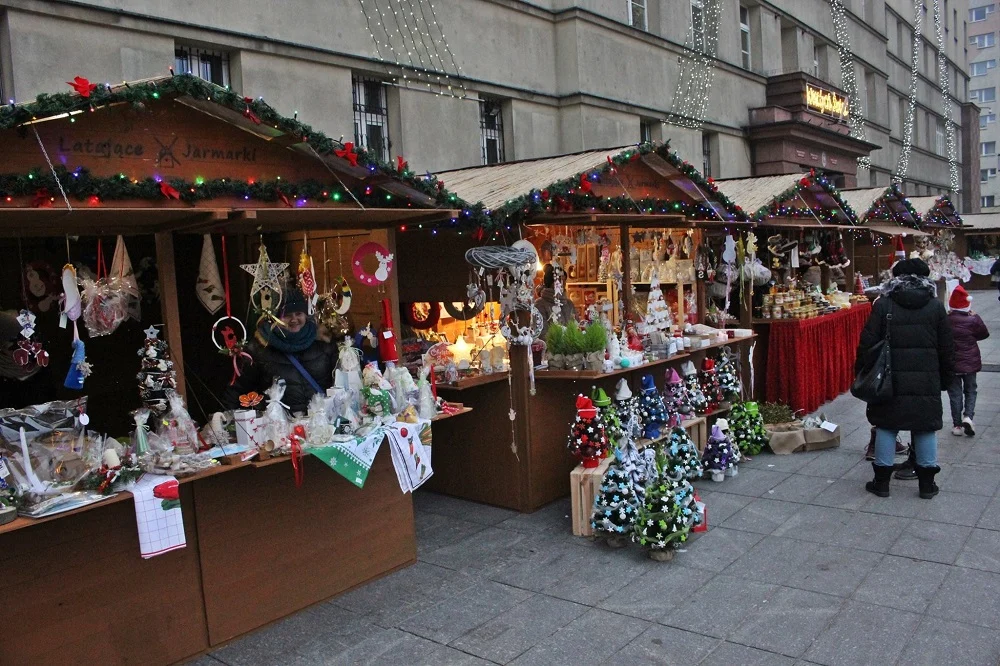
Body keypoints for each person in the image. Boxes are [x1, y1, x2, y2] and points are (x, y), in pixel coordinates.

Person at [855, 258, 954, 500]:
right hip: (926, 378)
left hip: (890, 379)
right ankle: (927, 485)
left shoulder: (884, 305)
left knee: (887, 425)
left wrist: (862, 371)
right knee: (925, 427)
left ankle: (881, 484)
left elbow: (868, 343)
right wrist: (946, 379)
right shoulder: (935, 306)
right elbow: (947, 348)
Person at [224, 288, 337, 414]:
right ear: (274, 317)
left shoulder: (323, 343)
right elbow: (239, 389)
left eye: (299, 313)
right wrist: (226, 418)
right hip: (280, 426)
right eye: (287, 315)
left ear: (306, 314)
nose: (294, 320)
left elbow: (339, 382)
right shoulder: (259, 349)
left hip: (323, 423)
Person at [946, 285, 989, 437]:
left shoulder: (946, 320)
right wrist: (975, 318)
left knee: (955, 394)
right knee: (971, 390)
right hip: (970, 362)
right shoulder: (972, 320)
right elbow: (984, 334)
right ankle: (968, 417)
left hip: (952, 364)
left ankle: (957, 425)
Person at [535, 263, 577, 339]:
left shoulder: (569, 303)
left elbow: (577, 327)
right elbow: (541, 333)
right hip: (552, 348)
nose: (562, 284)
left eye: (564, 280)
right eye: (559, 280)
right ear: (550, 282)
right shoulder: (540, 304)